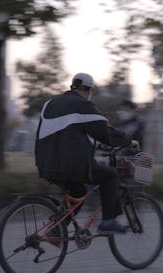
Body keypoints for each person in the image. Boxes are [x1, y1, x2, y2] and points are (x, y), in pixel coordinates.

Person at [35, 72, 133, 234]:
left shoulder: (49, 104)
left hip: (45, 165)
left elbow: (66, 135)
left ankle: (57, 229)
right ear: (89, 90)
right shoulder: (82, 105)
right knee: (109, 175)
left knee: (78, 192)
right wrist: (128, 141)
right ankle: (108, 221)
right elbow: (104, 131)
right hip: (70, 165)